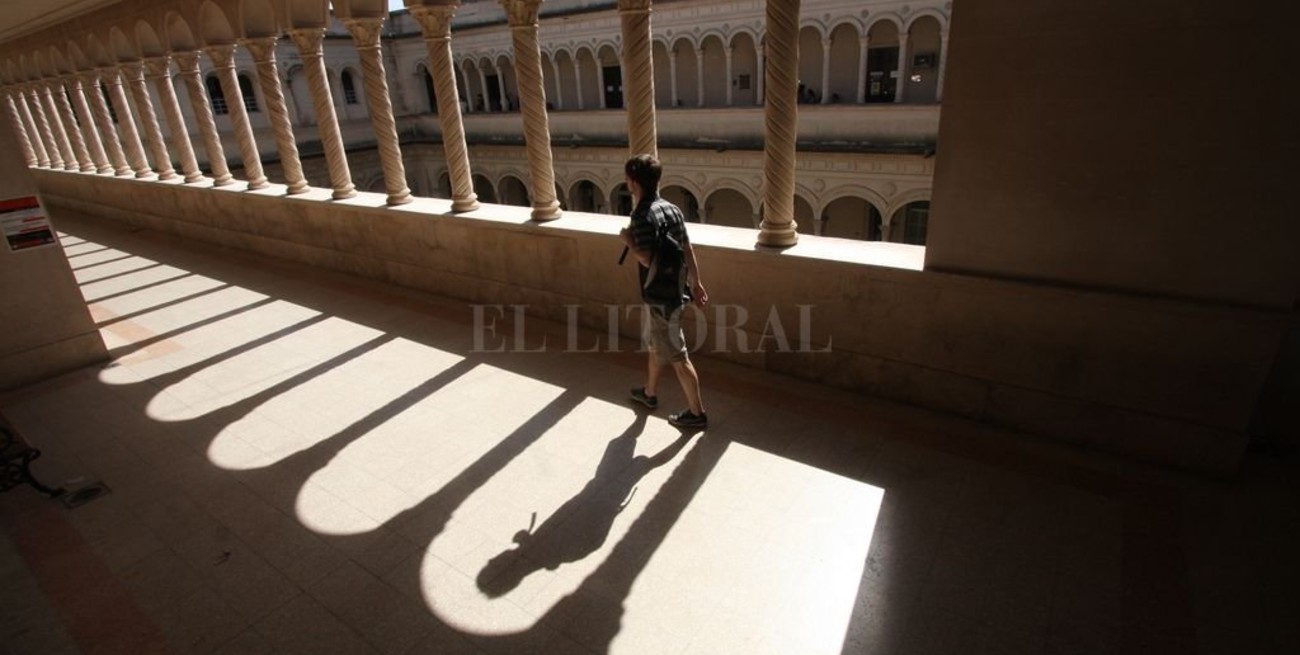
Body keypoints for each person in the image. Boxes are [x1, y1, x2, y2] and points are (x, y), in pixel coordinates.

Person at [618, 154, 709, 429]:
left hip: (659, 295)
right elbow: (688, 248)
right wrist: (696, 282)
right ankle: (649, 393)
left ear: (633, 182)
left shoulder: (642, 214)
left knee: (678, 357)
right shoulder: (673, 209)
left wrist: (628, 241)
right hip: (677, 288)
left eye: (628, 179)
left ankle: (697, 413)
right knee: (658, 345)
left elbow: (646, 259)